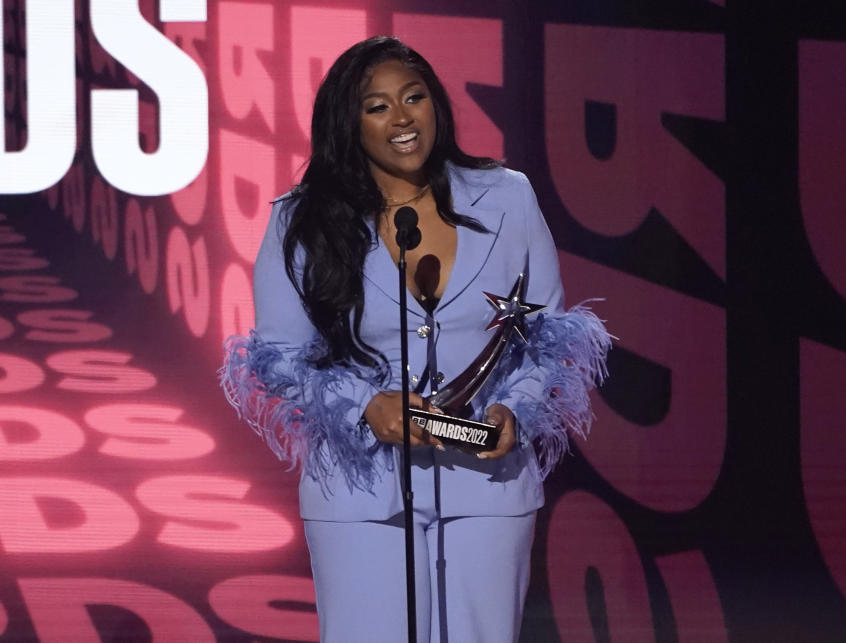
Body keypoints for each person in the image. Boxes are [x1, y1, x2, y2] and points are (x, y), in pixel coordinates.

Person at [221, 36, 610, 643]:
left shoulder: (509, 196)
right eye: (377, 107)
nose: (402, 119)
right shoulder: (301, 219)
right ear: (348, 125)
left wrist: (518, 410)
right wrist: (364, 408)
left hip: (486, 481)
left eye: (414, 98)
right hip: (361, 493)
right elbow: (281, 360)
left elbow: (548, 339)